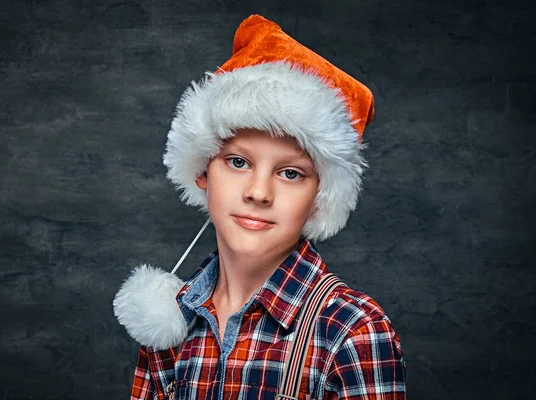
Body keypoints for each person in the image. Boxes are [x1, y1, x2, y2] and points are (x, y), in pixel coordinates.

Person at [113, 14, 406, 400]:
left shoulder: (352, 333)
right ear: (203, 169)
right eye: (238, 162)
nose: (258, 192)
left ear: (320, 196)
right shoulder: (170, 322)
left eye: (290, 173)